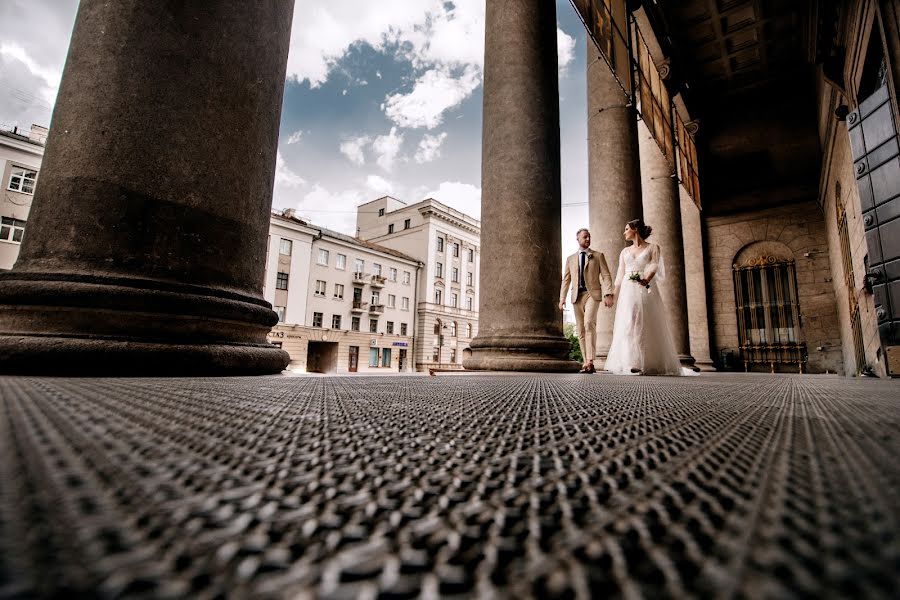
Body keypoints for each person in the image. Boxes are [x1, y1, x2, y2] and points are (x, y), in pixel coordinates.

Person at [605, 219, 697, 376]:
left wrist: (646, 278)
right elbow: (620, 274)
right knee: (630, 322)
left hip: (644, 287)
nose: (624, 232)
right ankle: (632, 361)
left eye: (626, 229)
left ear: (635, 230)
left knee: (644, 322)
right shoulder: (624, 252)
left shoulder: (653, 247)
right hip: (628, 289)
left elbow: (654, 265)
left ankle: (647, 361)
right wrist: (612, 294)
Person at [559, 228, 614, 373]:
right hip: (576, 296)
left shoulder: (598, 255)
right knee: (581, 330)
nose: (588, 239)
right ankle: (586, 362)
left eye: (589, 237)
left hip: (592, 294)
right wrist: (562, 298)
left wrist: (608, 293)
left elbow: (606, 275)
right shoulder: (570, 259)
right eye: (585, 237)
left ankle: (590, 361)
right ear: (578, 239)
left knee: (589, 323)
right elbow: (566, 279)